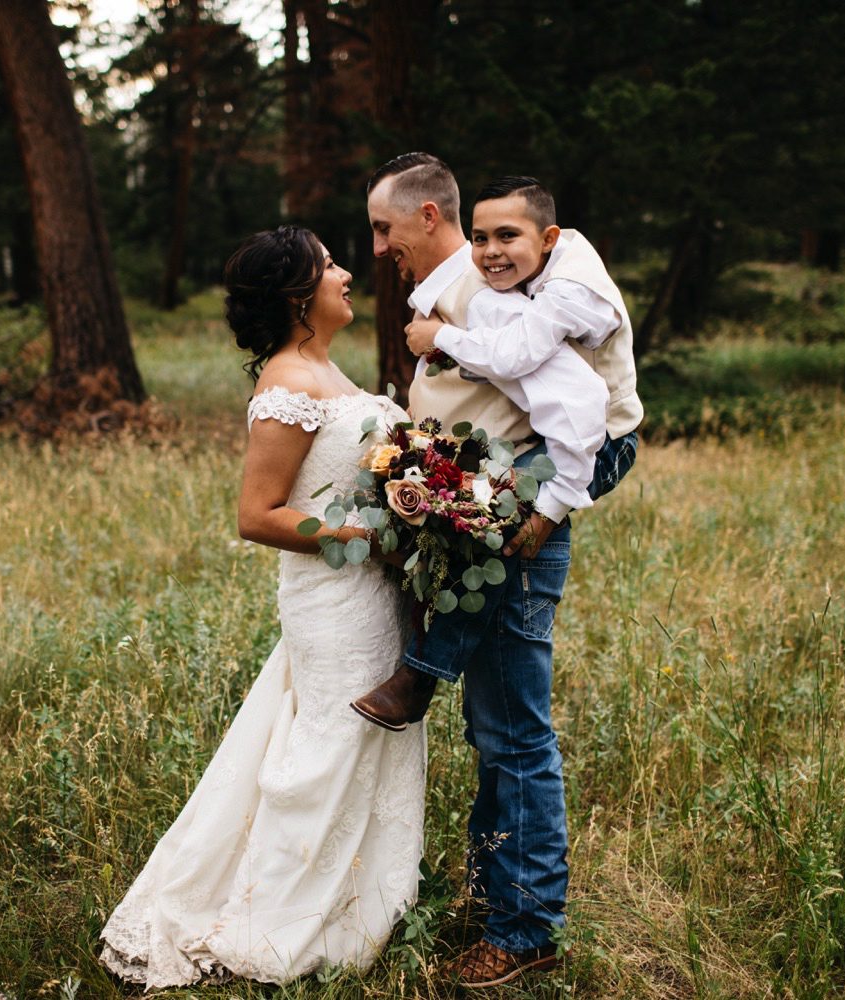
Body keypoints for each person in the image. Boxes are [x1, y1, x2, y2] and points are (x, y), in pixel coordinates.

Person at [98, 226, 426, 988]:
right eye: (330, 265)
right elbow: (258, 515)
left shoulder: (324, 369)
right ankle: (275, 918)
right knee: (327, 746)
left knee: (365, 741)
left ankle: (362, 899)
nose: (347, 272)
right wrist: (367, 537)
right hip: (334, 599)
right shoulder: (287, 383)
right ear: (296, 296)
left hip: (373, 596)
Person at [355, 153, 640, 989]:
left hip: (545, 484)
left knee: (513, 730)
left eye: (385, 228)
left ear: (427, 219)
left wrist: (551, 503)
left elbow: (578, 409)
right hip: (496, 496)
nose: (378, 248)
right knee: (497, 727)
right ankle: (495, 899)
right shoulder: (465, 288)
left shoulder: (488, 297)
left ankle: (524, 931)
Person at [405, 175, 641, 508]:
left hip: (609, 439)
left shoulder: (569, 290)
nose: (491, 252)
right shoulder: (530, 267)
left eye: (507, 236)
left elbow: (513, 355)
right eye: (479, 238)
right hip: (566, 431)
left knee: (493, 505)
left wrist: (440, 336)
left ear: (548, 239)